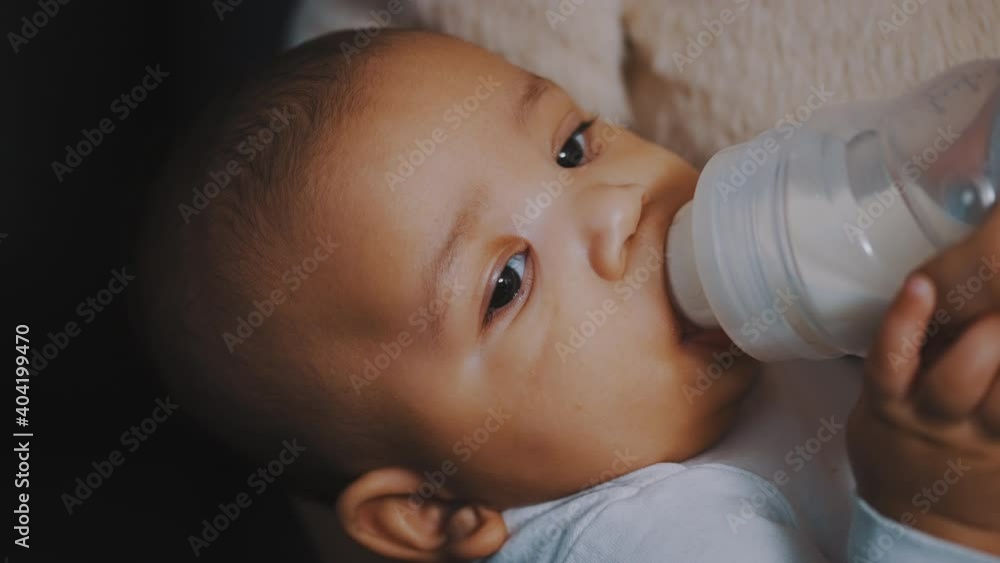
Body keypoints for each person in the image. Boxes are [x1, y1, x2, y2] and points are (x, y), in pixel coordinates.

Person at [136, 29, 1000, 562]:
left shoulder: (715, 352)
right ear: (433, 509)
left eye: (573, 148)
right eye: (505, 283)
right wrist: (935, 526)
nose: (616, 210)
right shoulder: (628, 539)